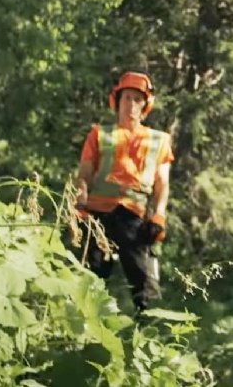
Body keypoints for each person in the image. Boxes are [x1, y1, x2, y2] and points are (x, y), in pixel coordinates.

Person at [74, 70, 173, 315]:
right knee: (90, 278)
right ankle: (81, 325)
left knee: (144, 282)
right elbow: (84, 174)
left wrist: (159, 215)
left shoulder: (159, 140)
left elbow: (162, 182)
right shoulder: (99, 134)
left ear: (145, 105)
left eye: (137, 99)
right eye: (127, 97)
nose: (131, 104)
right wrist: (79, 206)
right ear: (117, 101)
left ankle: (147, 325)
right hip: (98, 216)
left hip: (134, 216)